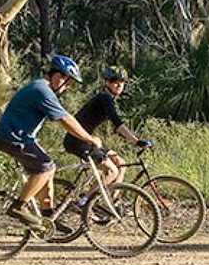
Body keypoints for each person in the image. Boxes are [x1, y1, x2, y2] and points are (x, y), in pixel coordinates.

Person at [0, 55, 101, 231]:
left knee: (49, 169)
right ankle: (18, 207)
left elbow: (66, 116)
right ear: (58, 77)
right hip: (12, 138)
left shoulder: (42, 88)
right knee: (46, 167)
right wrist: (89, 139)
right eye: (69, 82)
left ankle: (48, 218)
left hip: (20, 137)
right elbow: (65, 120)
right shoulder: (41, 90)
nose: (68, 87)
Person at [63, 66, 154, 204]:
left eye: (122, 82)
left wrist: (129, 138)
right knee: (112, 171)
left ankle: (113, 202)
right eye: (114, 81)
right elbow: (117, 122)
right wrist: (136, 141)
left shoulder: (107, 99)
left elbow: (116, 128)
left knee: (121, 163)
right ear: (107, 82)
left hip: (86, 140)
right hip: (77, 141)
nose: (119, 84)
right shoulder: (104, 98)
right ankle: (84, 201)